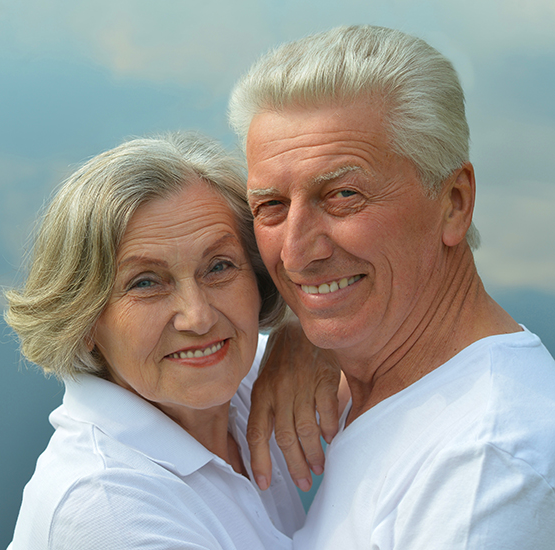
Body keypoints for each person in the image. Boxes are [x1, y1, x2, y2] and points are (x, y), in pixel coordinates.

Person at [229, 25, 555, 549]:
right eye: (271, 205)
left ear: (454, 203)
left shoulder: (486, 468)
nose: (295, 253)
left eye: (343, 195)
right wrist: (303, 332)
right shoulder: (361, 371)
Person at [5, 132, 321, 549]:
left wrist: (308, 334)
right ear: (84, 322)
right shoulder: (107, 511)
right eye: (146, 282)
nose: (198, 317)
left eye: (219, 266)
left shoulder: (248, 375)